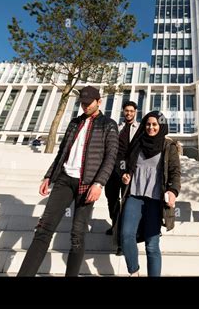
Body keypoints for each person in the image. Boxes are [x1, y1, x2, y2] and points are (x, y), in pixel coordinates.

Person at [17, 86, 119, 276]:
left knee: (77, 235)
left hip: (87, 184)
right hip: (64, 179)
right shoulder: (74, 123)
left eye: (89, 103)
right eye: (82, 103)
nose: (85, 106)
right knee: (43, 230)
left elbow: (111, 157)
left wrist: (99, 183)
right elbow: (62, 152)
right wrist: (49, 176)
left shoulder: (109, 124)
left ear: (99, 102)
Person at [120, 111, 180, 276]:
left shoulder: (168, 146)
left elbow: (175, 171)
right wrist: (125, 174)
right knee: (126, 235)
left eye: (154, 124)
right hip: (134, 195)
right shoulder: (137, 142)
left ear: (161, 126)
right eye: (148, 124)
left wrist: (173, 190)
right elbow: (125, 163)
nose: (151, 127)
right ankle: (134, 271)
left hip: (155, 199)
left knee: (152, 245)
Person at [105, 101, 140, 238]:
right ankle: (115, 225)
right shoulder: (117, 127)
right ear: (123, 112)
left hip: (129, 170)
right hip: (113, 169)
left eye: (131, 111)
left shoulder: (140, 128)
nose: (129, 113)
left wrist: (131, 170)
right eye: (126, 111)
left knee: (126, 201)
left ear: (135, 112)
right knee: (112, 199)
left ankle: (125, 231)